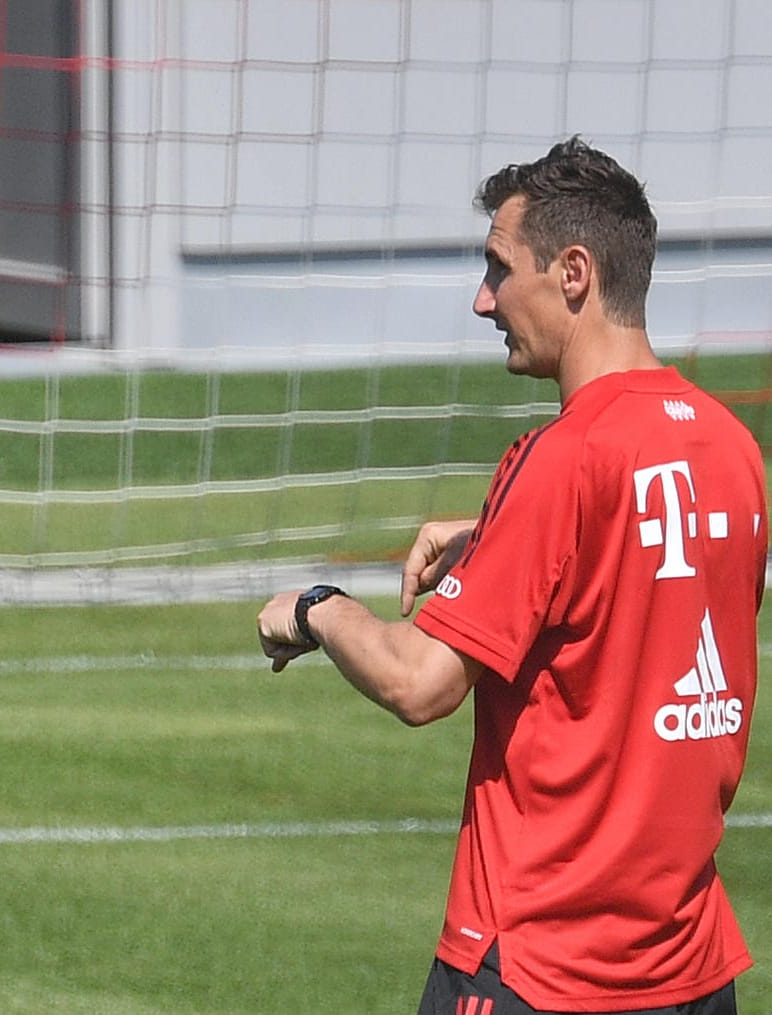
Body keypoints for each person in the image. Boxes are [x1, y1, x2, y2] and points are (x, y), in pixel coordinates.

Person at [256, 137, 761, 1014]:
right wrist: (497, 535)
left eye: (498, 268)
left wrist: (315, 608)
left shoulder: (560, 459)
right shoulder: (731, 447)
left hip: (540, 968)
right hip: (689, 972)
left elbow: (421, 683)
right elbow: (640, 584)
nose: (484, 299)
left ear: (572, 272)